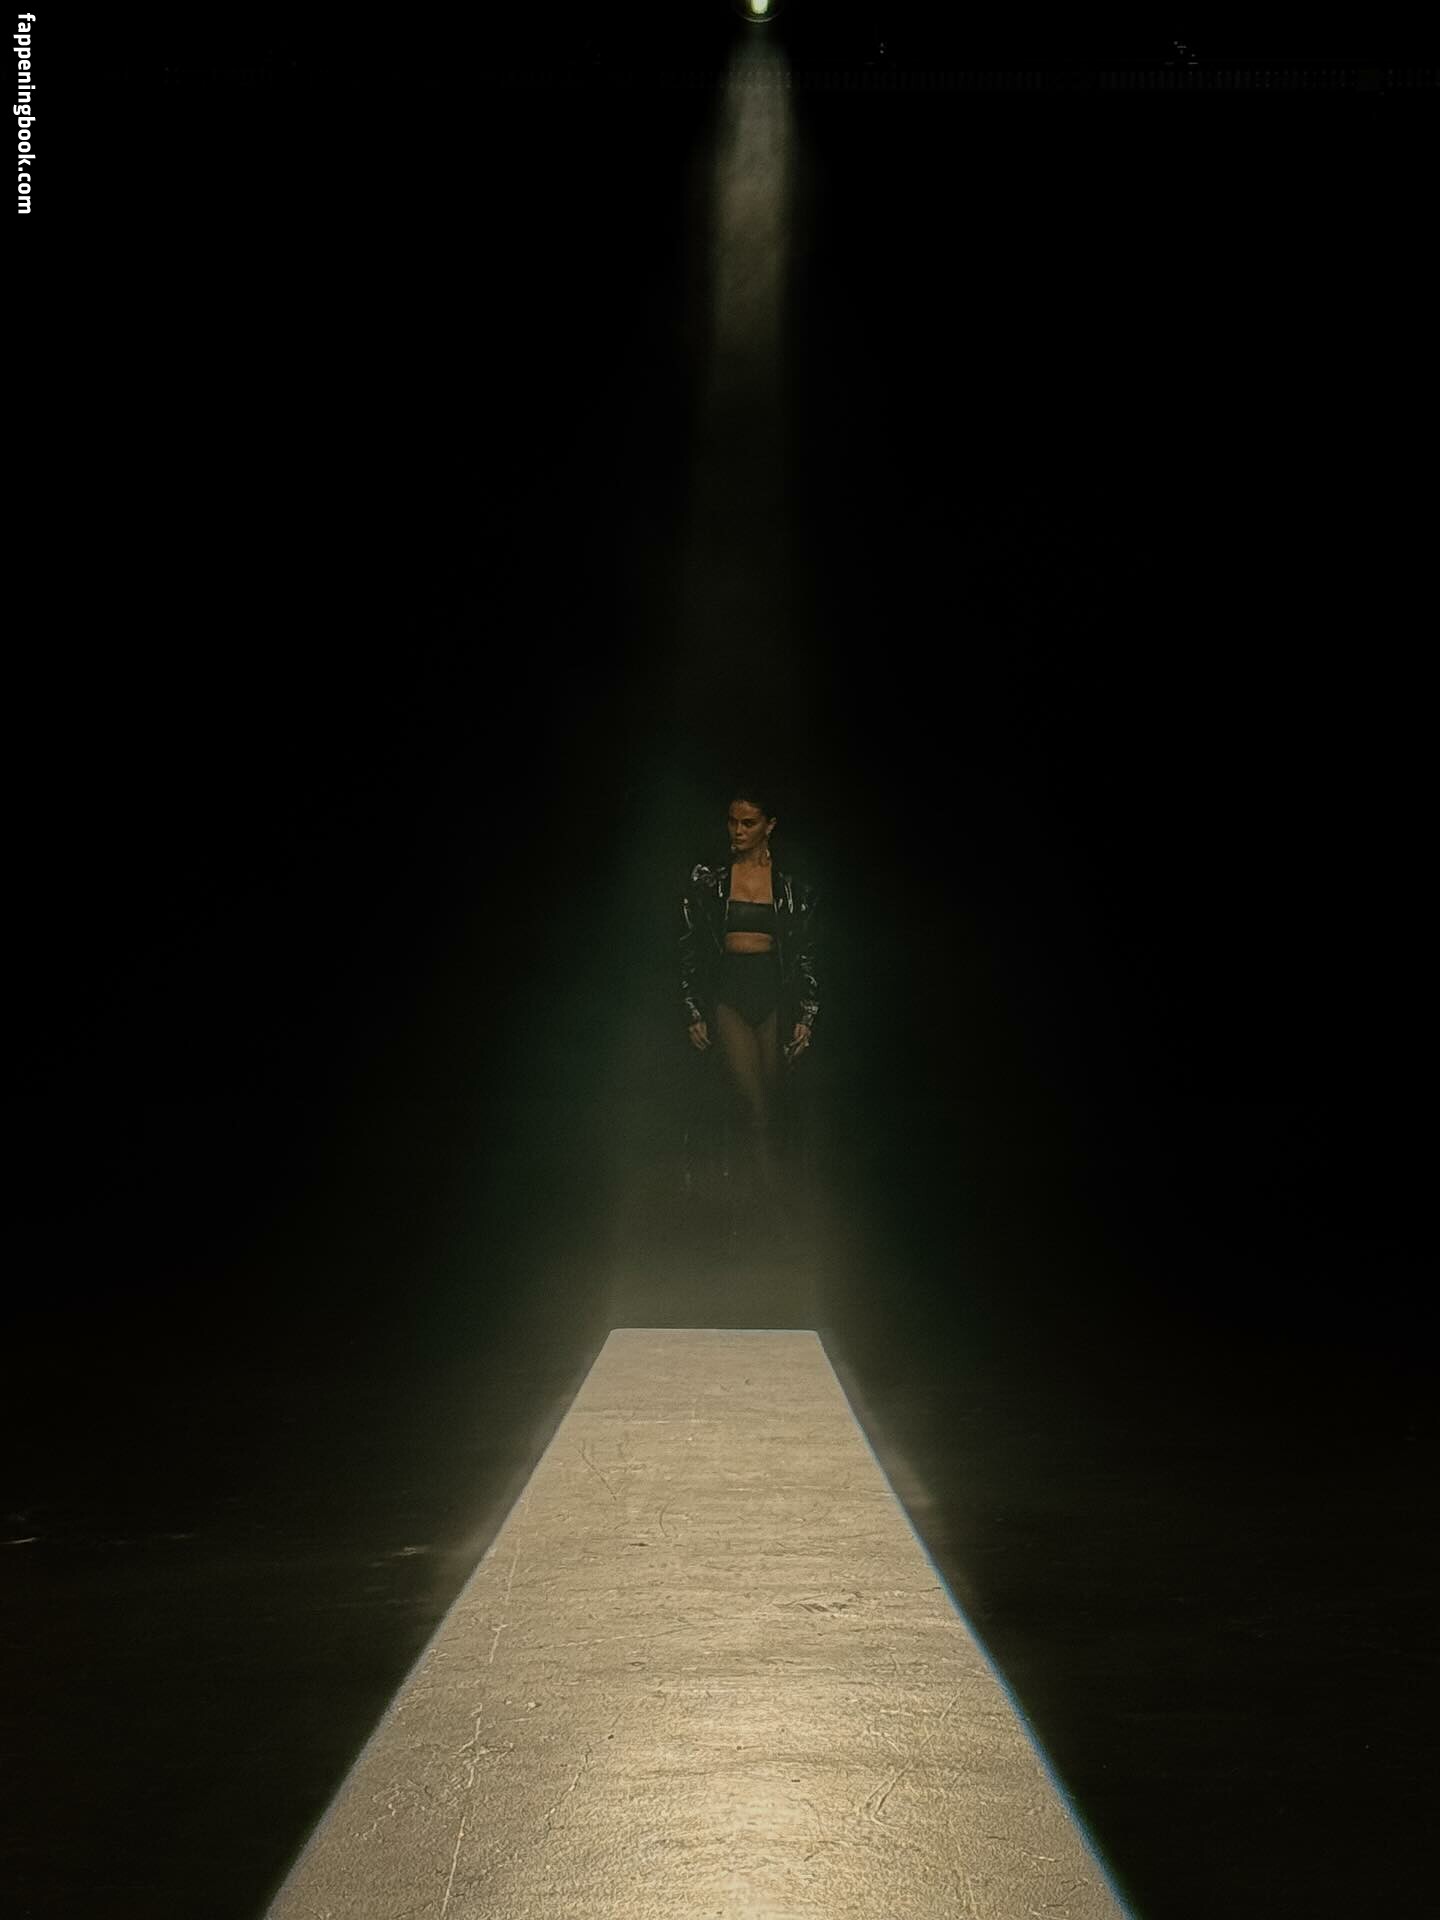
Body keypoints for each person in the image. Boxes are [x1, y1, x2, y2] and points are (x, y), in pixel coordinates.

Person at [679, 785, 820, 1197]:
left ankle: (766, 1197)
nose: (737, 831)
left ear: (768, 826)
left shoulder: (790, 887)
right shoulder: (711, 882)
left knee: (772, 1102)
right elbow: (689, 948)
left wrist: (807, 1015)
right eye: (732, 822)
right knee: (751, 1101)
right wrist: (692, 1010)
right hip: (730, 992)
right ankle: (767, 1201)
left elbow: (805, 954)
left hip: (772, 992)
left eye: (748, 823)